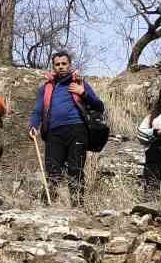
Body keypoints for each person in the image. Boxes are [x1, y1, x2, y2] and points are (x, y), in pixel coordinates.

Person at [28, 51, 104, 207]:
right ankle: (49, 205)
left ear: (69, 65)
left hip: (77, 130)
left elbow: (99, 106)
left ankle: (77, 206)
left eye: (64, 63)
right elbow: (38, 109)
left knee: (75, 169)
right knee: (53, 170)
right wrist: (33, 125)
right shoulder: (47, 87)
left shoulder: (79, 82)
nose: (61, 67)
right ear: (53, 67)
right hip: (53, 133)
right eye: (57, 64)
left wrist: (83, 93)